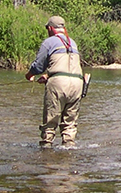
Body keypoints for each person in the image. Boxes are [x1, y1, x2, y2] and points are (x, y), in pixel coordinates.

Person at [27, 16, 86, 148]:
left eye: (47, 28)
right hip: (77, 83)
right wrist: (49, 76)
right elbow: (68, 66)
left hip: (59, 84)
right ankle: (69, 147)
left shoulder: (49, 42)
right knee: (70, 123)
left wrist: (29, 75)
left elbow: (38, 66)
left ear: (50, 28)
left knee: (50, 120)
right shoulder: (73, 42)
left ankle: (46, 149)